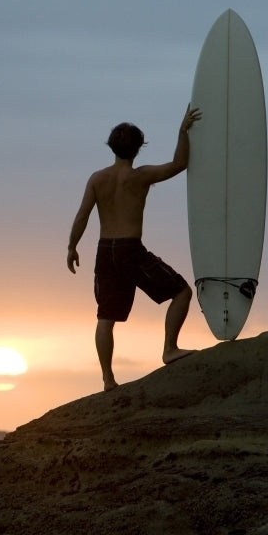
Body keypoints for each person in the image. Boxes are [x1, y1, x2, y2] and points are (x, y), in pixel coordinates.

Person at [66, 105, 202, 390]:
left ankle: (108, 379)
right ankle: (169, 349)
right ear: (139, 148)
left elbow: (82, 215)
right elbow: (179, 164)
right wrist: (182, 131)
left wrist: (72, 246)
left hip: (105, 250)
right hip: (130, 249)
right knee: (182, 292)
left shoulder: (97, 178)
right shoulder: (140, 176)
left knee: (105, 317)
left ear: (112, 147)